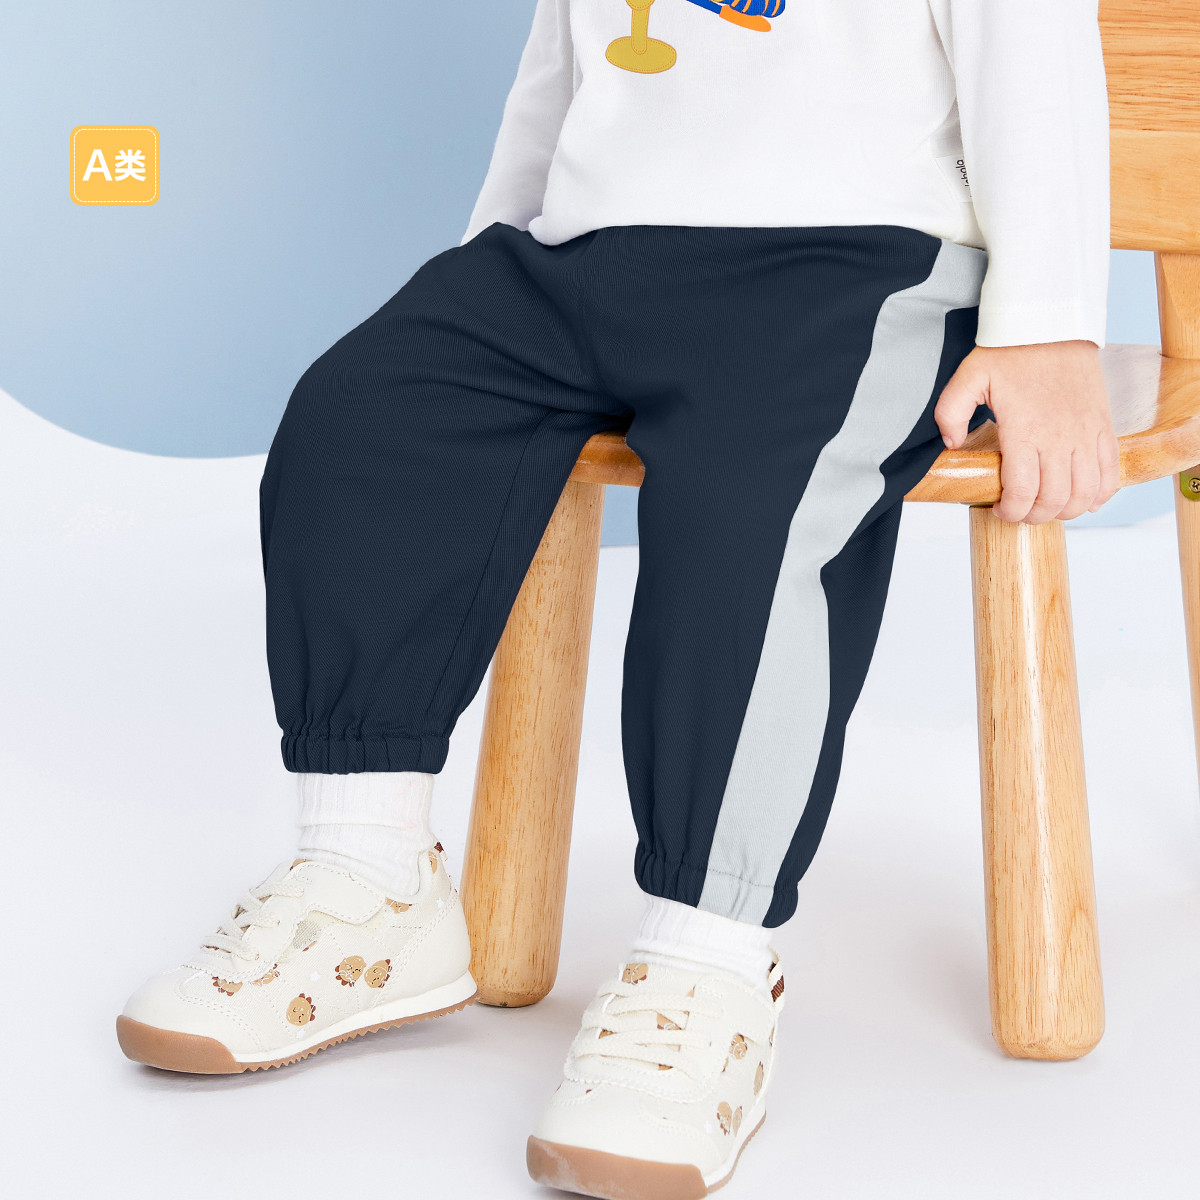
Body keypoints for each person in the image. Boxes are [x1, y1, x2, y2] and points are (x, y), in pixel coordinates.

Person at [116, 2, 1119, 1196]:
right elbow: (564, 57)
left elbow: (1033, 45)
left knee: (751, 513)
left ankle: (707, 962)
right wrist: (489, 259)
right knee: (366, 415)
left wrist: (1050, 323)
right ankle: (366, 876)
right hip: (587, 254)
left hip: (850, 256)